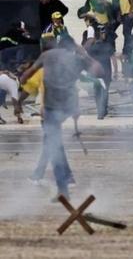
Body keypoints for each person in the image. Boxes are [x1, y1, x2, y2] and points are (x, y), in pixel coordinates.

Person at [20, 36, 102, 200]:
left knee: (53, 145)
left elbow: (27, 74)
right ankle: (66, 180)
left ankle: (63, 189)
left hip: (51, 107)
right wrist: (84, 53)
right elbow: (99, 71)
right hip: (68, 106)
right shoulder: (76, 58)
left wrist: (23, 79)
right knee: (53, 144)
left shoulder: (47, 55)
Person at [81, 13, 113, 120]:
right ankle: (104, 109)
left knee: (97, 87)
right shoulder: (104, 27)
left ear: (88, 20)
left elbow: (89, 42)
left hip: (96, 62)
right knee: (105, 87)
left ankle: (100, 111)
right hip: (106, 61)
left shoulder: (90, 29)